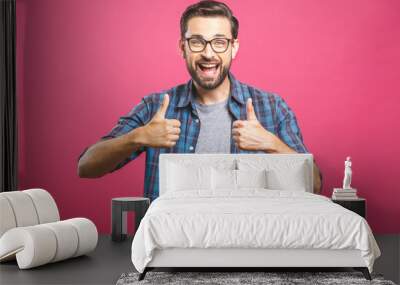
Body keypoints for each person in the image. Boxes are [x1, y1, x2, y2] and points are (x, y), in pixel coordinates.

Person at [78, 0, 322, 200]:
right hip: (170, 249)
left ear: (233, 47)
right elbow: (86, 167)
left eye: (219, 42)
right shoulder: (156, 107)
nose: (208, 53)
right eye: (197, 42)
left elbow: (314, 183)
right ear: (182, 47)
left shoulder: (271, 107)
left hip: (248, 249)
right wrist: (138, 136)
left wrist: (271, 143)